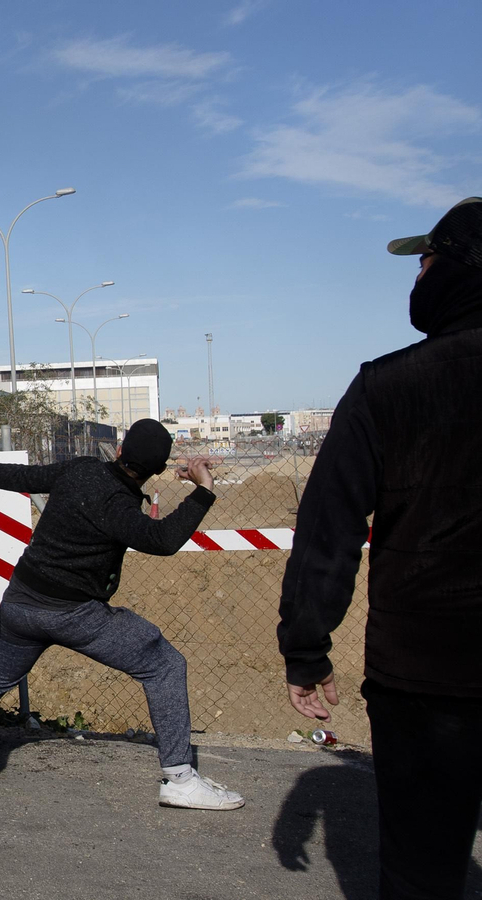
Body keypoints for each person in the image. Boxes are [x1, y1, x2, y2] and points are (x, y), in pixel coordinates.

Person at [279, 196, 482, 900]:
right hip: (425, 677)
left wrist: (306, 647)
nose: (415, 278)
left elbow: (328, 530)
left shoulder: (387, 386)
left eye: (424, 262)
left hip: (427, 675)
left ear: (455, 269)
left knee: (422, 872)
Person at [0, 420, 244, 815]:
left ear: (118, 450)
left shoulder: (82, 468)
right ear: (157, 471)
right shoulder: (119, 506)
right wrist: (203, 489)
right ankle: (180, 779)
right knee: (164, 664)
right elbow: (162, 539)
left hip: (21, 606)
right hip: (75, 614)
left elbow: (24, 476)